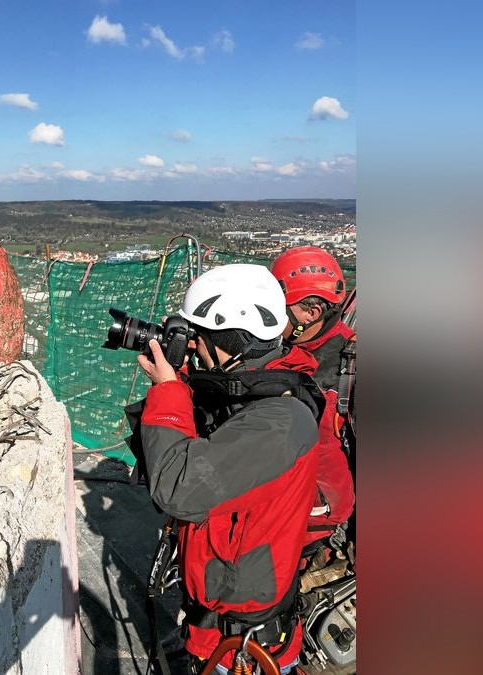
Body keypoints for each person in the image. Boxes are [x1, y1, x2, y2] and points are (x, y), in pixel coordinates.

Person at [125, 264, 322, 674]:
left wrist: (167, 392)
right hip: (215, 635)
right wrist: (179, 378)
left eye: (200, 339)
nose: (194, 347)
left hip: (243, 650)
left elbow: (179, 488)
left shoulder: (279, 422)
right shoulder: (246, 393)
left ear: (233, 341)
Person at [271, 246, 356, 541]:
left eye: (276, 308)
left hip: (317, 516)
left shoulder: (349, 369)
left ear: (311, 313)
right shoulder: (286, 346)